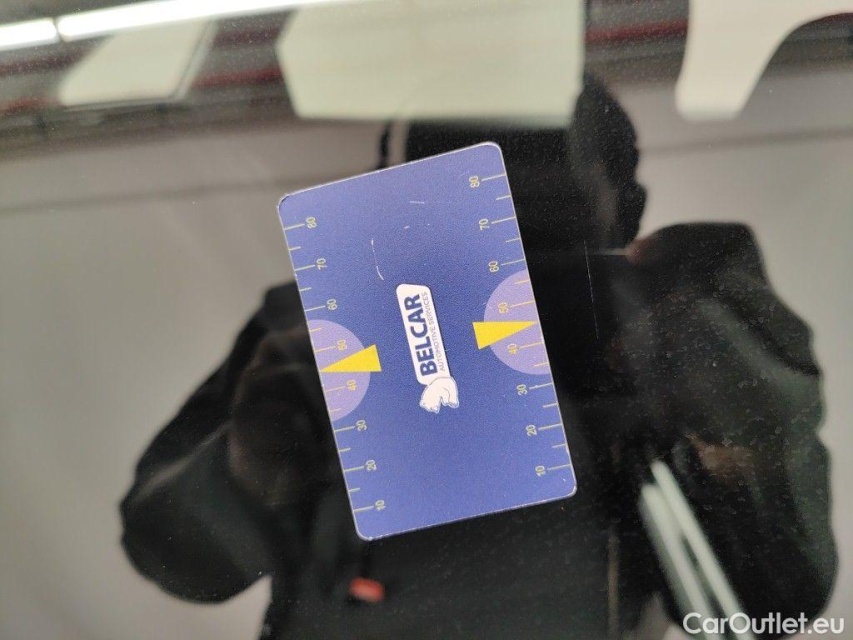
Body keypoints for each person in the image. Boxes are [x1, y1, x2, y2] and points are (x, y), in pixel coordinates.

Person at [120, 76, 836, 639]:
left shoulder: (669, 333)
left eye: (540, 221)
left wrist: (743, 441)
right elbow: (172, 557)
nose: (505, 276)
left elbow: (761, 611)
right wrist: (249, 467)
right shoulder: (324, 330)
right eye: (451, 207)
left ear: (626, 213)